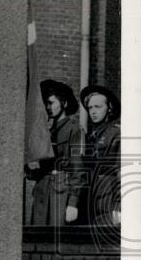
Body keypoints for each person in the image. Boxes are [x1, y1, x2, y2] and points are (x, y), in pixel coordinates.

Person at [27, 79, 83, 225]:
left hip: (61, 192)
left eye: (51, 103)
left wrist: (72, 203)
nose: (47, 107)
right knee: (38, 239)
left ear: (64, 103)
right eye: (46, 104)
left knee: (57, 237)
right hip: (42, 190)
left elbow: (78, 169)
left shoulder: (74, 129)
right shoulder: (46, 131)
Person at [69, 85, 121, 227]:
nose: (93, 112)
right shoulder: (89, 136)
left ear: (109, 107)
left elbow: (120, 171)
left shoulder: (115, 134)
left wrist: (119, 206)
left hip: (107, 199)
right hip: (88, 200)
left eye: (97, 107)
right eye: (90, 108)